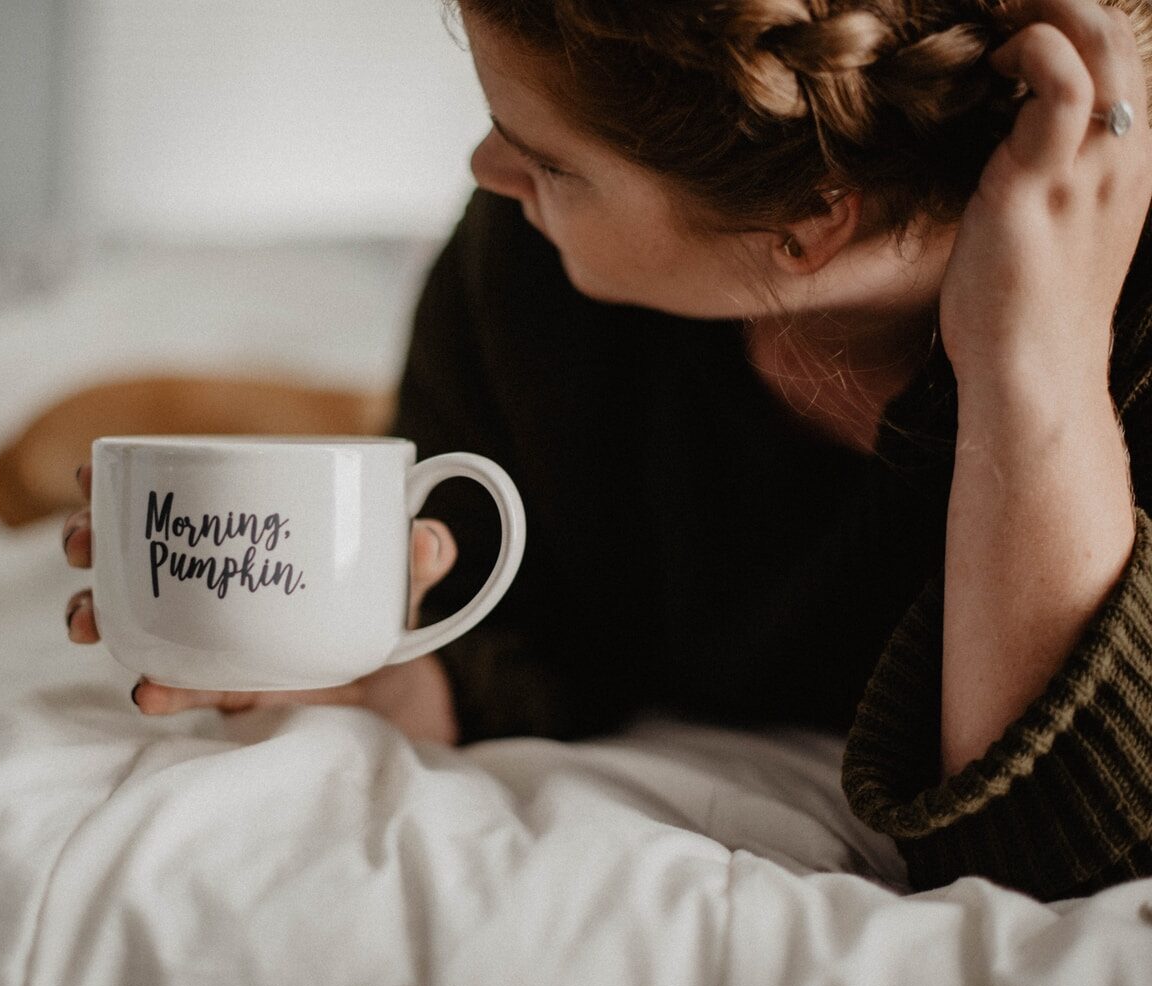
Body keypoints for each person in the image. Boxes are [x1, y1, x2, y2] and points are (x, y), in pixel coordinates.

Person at [62, 0, 1152, 901]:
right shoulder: (526, 280)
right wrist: (393, 676)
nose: (487, 167)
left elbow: (1060, 872)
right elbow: (545, 630)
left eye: (548, 161)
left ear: (813, 215)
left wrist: (1034, 359)